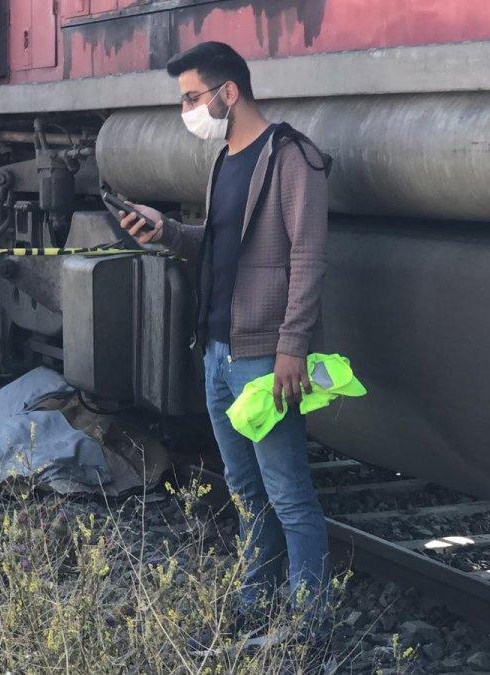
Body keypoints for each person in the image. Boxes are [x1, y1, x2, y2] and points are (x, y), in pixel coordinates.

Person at [119, 42, 332, 637]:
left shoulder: (292, 157)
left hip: (264, 355)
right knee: (245, 491)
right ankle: (252, 607)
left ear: (227, 93)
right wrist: (164, 232)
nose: (187, 109)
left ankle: (309, 627)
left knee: (289, 495)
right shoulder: (224, 160)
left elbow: (309, 258)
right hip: (217, 352)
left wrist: (293, 345)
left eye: (192, 97)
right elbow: (215, 248)